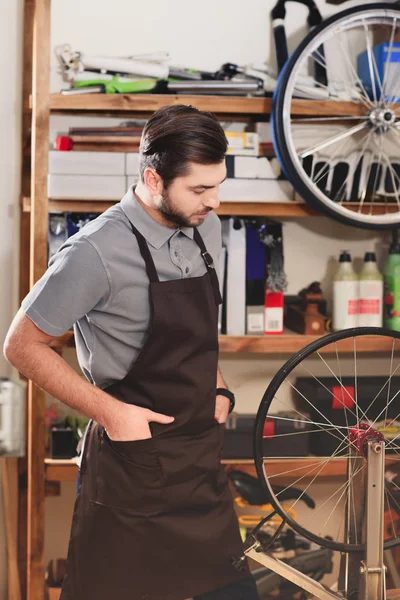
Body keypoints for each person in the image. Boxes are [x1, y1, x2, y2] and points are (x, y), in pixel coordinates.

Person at [4, 104, 260, 600]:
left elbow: (195, 333)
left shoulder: (206, 226)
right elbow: (21, 345)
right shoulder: (93, 252)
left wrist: (220, 385)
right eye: (200, 189)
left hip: (199, 463)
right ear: (153, 178)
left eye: (219, 185)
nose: (215, 202)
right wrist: (114, 414)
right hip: (132, 467)